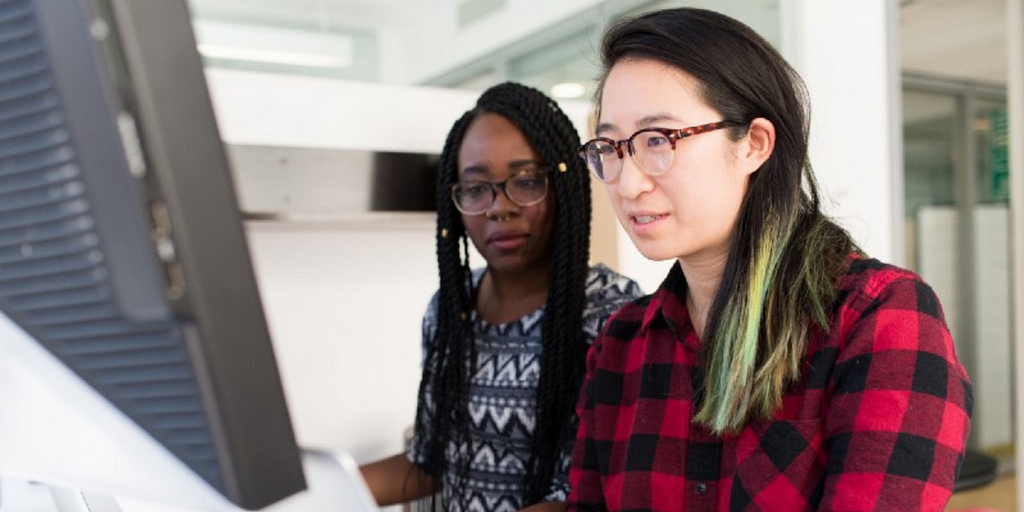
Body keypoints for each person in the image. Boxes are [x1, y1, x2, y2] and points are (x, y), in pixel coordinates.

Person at [567, 8, 972, 512]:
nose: (627, 183)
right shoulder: (620, 344)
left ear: (754, 144)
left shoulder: (879, 318)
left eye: (658, 140)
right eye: (611, 147)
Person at [360, 82, 643, 512]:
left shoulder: (610, 313)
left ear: (563, 186)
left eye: (526, 181)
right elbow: (431, 464)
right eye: (476, 188)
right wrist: (313, 490)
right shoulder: (449, 309)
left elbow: (587, 495)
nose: (498, 208)